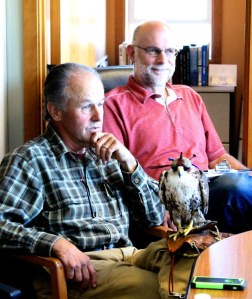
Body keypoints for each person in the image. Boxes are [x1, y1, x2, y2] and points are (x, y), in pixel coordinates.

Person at [0, 63, 195, 299]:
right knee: (158, 287)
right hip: (80, 269)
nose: (99, 116)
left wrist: (130, 165)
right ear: (56, 112)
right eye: (86, 107)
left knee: (197, 257)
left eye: (101, 104)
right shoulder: (30, 160)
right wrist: (56, 244)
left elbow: (154, 217)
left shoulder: (109, 155)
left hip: (130, 254)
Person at [103, 20, 252, 234]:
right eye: (153, 51)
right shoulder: (114, 105)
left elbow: (218, 158)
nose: (163, 60)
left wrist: (248, 175)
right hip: (166, 202)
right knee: (236, 189)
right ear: (131, 53)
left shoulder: (189, 96)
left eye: (170, 51)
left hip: (209, 190)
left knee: (240, 185)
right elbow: (114, 178)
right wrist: (158, 206)